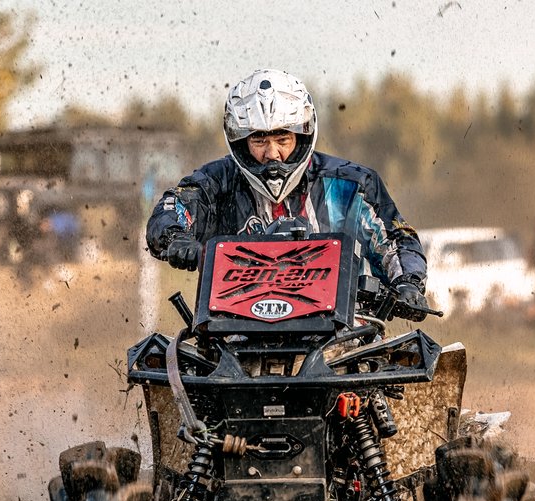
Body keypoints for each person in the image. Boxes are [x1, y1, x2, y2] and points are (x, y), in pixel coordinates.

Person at [145, 69, 428, 320]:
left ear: (301, 137)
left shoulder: (351, 185)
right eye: (259, 140)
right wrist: (175, 238)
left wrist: (408, 283)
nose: (272, 154)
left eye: (283, 139)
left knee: (413, 354)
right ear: (241, 142)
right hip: (235, 333)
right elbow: (173, 207)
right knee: (161, 356)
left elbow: (397, 240)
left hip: (343, 336)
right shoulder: (216, 182)